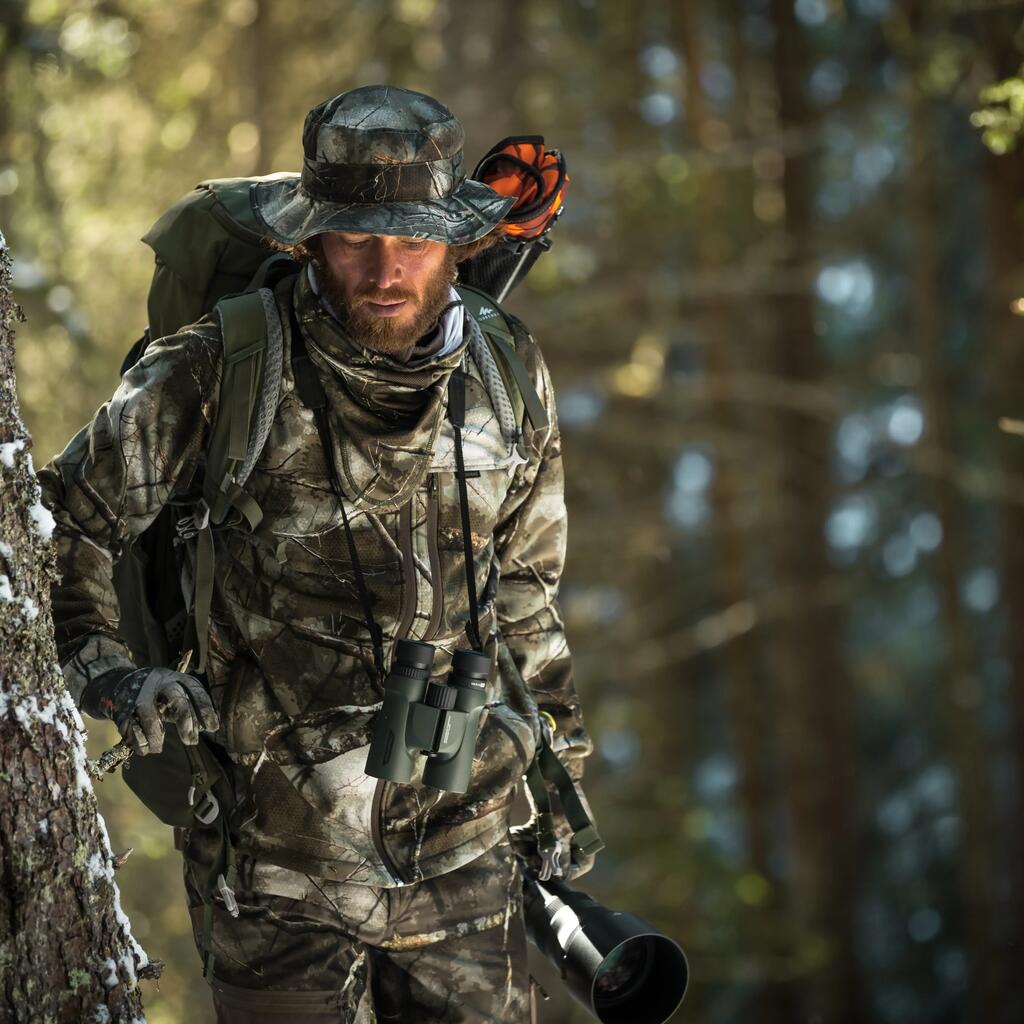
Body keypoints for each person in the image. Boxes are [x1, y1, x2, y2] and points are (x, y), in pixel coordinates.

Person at [39, 84, 594, 1023]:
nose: (387, 269)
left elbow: (528, 597)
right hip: (269, 873)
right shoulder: (221, 366)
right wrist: (113, 676)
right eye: (357, 240)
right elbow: (59, 528)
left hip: (470, 862)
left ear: (459, 245)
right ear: (309, 240)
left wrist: (561, 774)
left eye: (415, 241)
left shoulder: (508, 372)